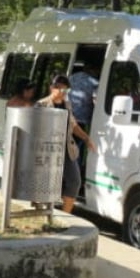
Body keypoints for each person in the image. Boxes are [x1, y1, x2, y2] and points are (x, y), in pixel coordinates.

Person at [35, 75, 95, 213]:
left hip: (66, 149)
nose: (62, 92)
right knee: (48, 183)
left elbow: (73, 125)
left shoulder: (67, 105)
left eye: (65, 90)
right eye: (59, 89)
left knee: (75, 181)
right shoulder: (41, 105)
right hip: (47, 151)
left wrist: (86, 138)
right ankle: (44, 213)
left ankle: (65, 215)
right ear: (51, 88)